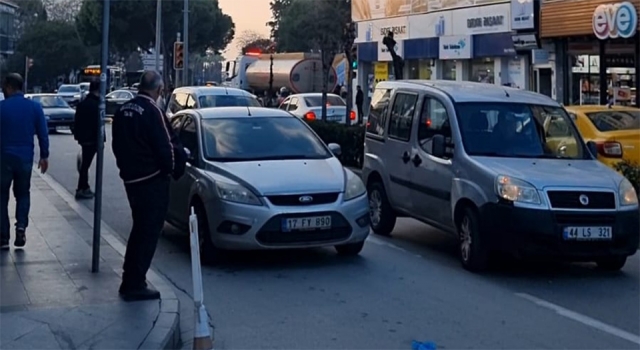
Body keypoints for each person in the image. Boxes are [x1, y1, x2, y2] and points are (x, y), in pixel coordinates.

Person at [112, 70, 186, 301]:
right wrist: (173, 170)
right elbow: (167, 146)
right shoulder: (153, 111)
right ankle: (134, 282)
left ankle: (131, 277)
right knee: (148, 232)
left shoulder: (123, 110)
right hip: (151, 180)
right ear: (159, 90)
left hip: (132, 179)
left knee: (139, 229)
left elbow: (117, 145)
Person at [0, 73, 49, 249]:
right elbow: (43, 134)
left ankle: (3, 237)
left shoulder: (1, 107)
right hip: (25, 159)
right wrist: (44, 156)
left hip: (3, 158)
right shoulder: (35, 108)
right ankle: (21, 227)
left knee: (1, 196)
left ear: (9, 87)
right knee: (22, 194)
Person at [73, 81, 103, 199]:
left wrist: (78, 135)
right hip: (93, 139)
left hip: (84, 138)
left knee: (85, 164)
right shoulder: (98, 105)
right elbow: (98, 124)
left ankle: (84, 187)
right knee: (85, 165)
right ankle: (82, 188)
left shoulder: (82, 104)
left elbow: (77, 121)